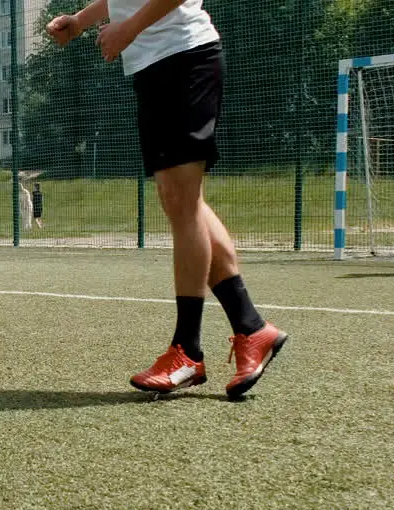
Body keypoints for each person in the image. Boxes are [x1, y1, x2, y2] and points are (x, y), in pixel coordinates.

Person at [47, 0, 286, 398]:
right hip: (156, 67)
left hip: (184, 58)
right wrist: (80, 22)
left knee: (182, 200)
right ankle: (251, 328)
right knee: (180, 200)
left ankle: (188, 351)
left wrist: (129, 29)